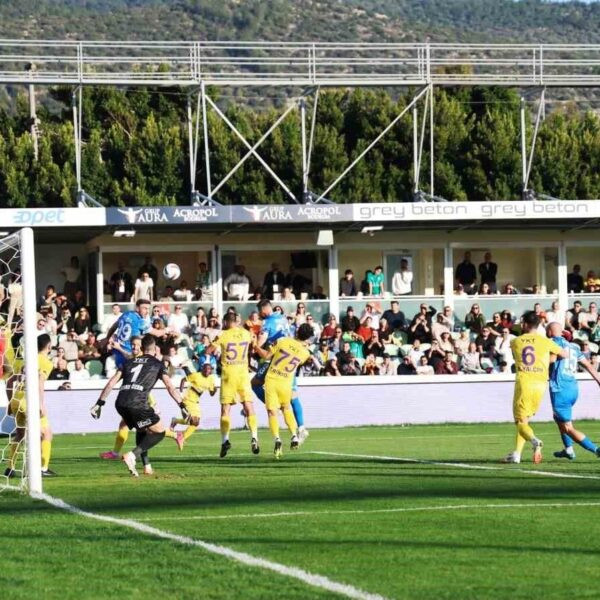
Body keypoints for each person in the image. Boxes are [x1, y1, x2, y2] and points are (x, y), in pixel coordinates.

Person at [91, 335, 187, 477]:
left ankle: (147, 466)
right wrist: (182, 405)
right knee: (159, 432)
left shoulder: (128, 362)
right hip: (137, 402)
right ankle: (132, 455)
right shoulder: (157, 364)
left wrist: (99, 403)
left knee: (141, 429)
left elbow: (111, 383)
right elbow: (170, 387)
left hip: (120, 402)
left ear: (142, 348)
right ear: (155, 350)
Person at [502, 311, 568, 465]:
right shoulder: (545, 341)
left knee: (520, 421)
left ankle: (535, 441)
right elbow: (564, 354)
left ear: (525, 324)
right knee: (525, 420)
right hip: (540, 384)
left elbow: (515, 357)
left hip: (525, 382)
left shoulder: (516, 341)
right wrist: (549, 359)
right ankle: (517, 454)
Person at [254, 323, 313, 458]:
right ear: (307, 338)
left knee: (272, 412)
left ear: (297, 331)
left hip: (272, 380)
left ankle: (277, 439)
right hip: (286, 383)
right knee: (286, 408)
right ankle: (294, 435)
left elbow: (267, 356)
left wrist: (256, 346)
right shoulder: (305, 353)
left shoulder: (282, 341)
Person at [5, 334, 57, 478]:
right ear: (49, 347)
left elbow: (9, 382)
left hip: (17, 399)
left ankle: (10, 467)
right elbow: (40, 381)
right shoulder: (46, 362)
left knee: (20, 434)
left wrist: (11, 402)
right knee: (46, 433)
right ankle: (42, 468)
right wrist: (40, 404)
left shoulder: (25, 361)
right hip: (30, 401)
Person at [546, 322, 600, 461]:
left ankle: (596, 450)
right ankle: (568, 449)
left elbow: (551, 361)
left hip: (560, 389)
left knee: (568, 427)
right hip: (573, 388)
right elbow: (589, 365)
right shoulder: (574, 347)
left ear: (550, 332)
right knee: (558, 418)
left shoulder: (551, 343)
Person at [209, 313, 259, 457]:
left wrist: (213, 350)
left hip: (228, 376)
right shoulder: (246, 333)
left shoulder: (223, 334)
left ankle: (225, 440)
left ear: (225, 321)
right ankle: (254, 437)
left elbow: (208, 351)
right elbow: (253, 344)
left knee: (225, 410)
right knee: (248, 406)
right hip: (243, 375)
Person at [171, 363, 217, 447]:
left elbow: (211, 393)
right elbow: (183, 380)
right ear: (202, 369)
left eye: (209, 369)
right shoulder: (196, 375)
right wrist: (181, 393)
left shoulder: (211, 379)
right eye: (206, 369)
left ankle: (176, 423)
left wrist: (214, 390)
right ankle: (181, 437)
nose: (207, 371)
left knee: (195, 423)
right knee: (192, 421)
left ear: (211, 371)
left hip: (196, 402)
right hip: (187, 400)